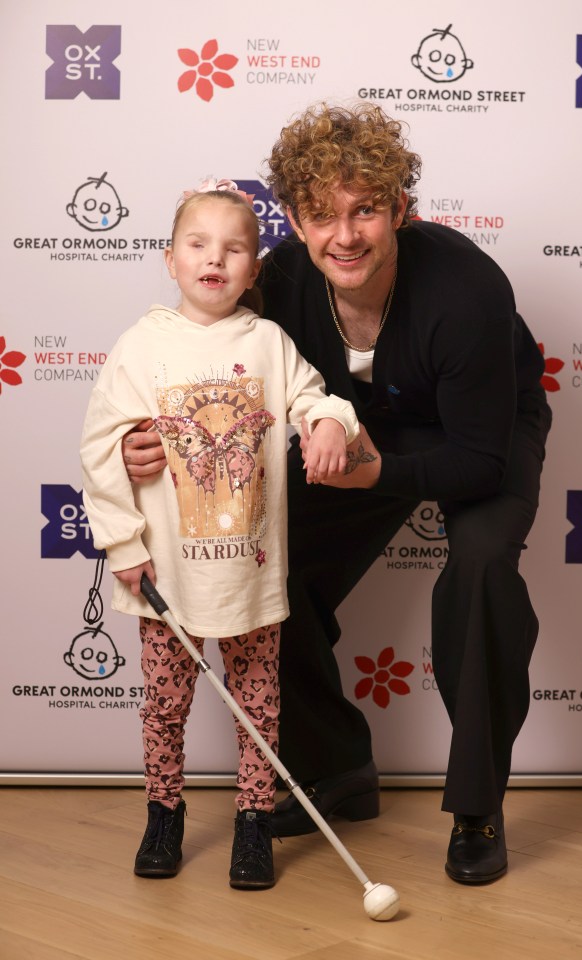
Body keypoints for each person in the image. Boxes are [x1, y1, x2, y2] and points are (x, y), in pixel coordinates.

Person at [122, 103, 552, 885]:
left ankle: (477, 807)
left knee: (484, 566)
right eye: (322, 215)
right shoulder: (279, 278)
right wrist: (137, 436)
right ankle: (337, 768)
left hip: (479, 434)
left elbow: (481, 462)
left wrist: (378, 474)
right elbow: (200, 365)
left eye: (365, 211)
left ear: (401, 210)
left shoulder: (467, 287)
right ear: (293, 219)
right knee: (270, 563)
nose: (344, 236)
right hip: (353, 435)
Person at [80, 180, 359, 889]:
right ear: (170, 259)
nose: (216, 259)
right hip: (168, 574)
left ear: (254, 269)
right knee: (165, 705)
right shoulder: (142, 346)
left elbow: (313, 395)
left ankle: (254, 824)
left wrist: (329, 421)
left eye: (235, 248)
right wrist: (124, 545)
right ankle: (163, 815)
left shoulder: (267, 342)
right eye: (198, 245)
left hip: (250, 572)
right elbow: (102, 446)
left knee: (260, 709)